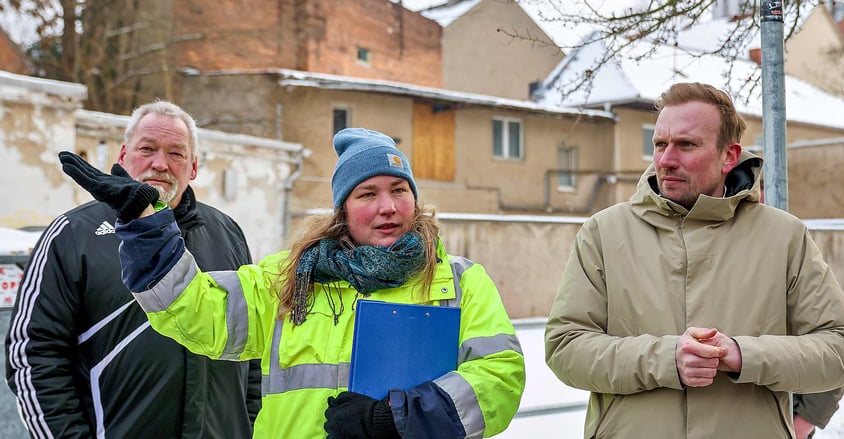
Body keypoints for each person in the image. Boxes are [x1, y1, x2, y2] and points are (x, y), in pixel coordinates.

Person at [57, 127, 526, 439]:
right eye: (368, 193)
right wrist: (146, 226)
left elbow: (500, 379)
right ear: (343, 211)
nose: (388, 207)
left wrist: (397, 420)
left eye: (399, 190)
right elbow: (194, 311)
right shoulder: (288, 278)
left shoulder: (459, 281)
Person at [545, 82, 844, 438]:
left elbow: (843, 347)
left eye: (686, 145)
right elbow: (565, 347)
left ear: (729, 156)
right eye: (660, 144)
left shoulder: (784, 236)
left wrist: (744, 355)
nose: (666, 160)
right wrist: (666, 358)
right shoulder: (603, 233)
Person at [5, 100, 261, 438]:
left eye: (176, 153)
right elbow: (33, 354)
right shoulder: (73, 234)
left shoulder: (226, 233)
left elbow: (253, 351)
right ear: (123, 155)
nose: (160, 163)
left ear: (194, 167)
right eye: (147, 149)